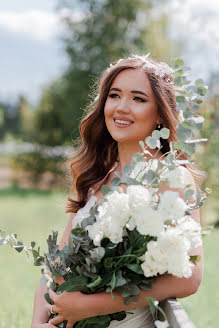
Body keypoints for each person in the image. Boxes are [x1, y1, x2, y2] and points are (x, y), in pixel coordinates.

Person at [31, 54, 204, 328]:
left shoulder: (170, 178)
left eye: (138, 98)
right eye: (114, 95)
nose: (122, 107)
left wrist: (87, 307)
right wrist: (38, 323)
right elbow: (56, 265)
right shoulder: (96, 180)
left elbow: (189, 277)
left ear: (160, 112)